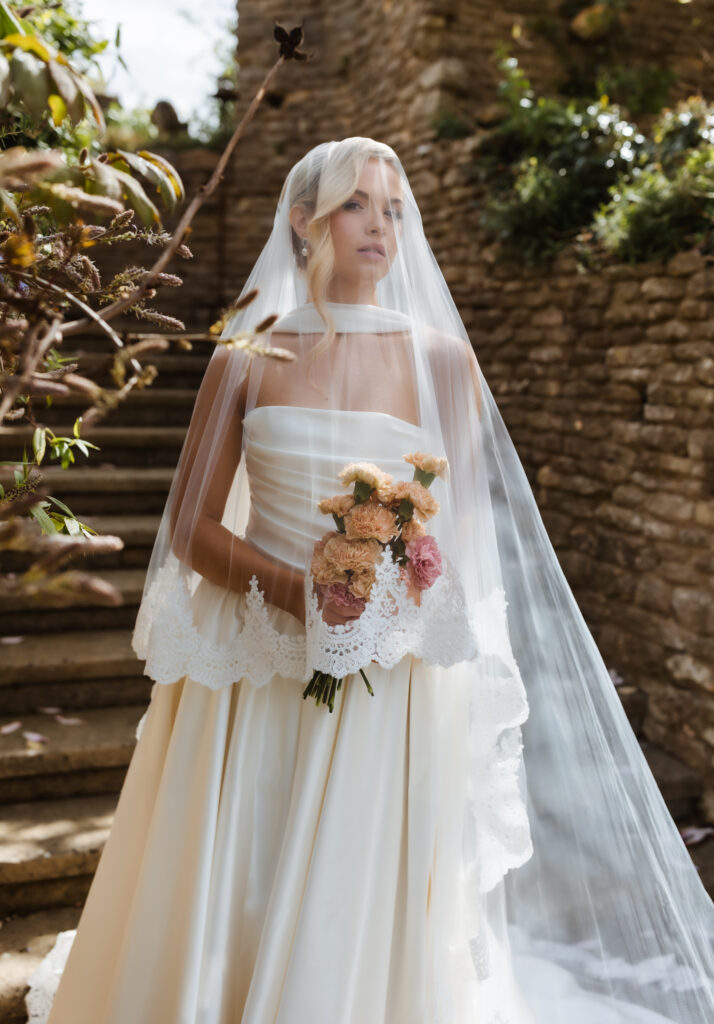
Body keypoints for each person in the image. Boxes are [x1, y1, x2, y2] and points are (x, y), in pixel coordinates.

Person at [28, 137, 714, 1023]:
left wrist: (384, 605)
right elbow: (192, 529)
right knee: (241, 859)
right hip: (253, 666)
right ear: (303, 221)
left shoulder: (443, 364)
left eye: (394, 208)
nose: (381, 225)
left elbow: (459, 544)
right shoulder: (246, 354)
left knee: (354, 875)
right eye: (358, 203)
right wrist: (300, 596)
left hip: (389, 676)